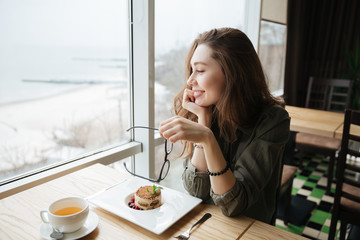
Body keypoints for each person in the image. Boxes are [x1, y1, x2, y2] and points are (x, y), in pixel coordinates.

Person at [159, 27, 290, 224]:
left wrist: (207, 138)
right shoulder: (209, 110)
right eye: (192, 70)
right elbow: (196, 190)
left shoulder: (273, 121)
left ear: (232, 73)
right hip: (207, 225)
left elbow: (233, 204)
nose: (190, 80)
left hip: (252, 231)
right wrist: (204, 120)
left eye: (200, 70)